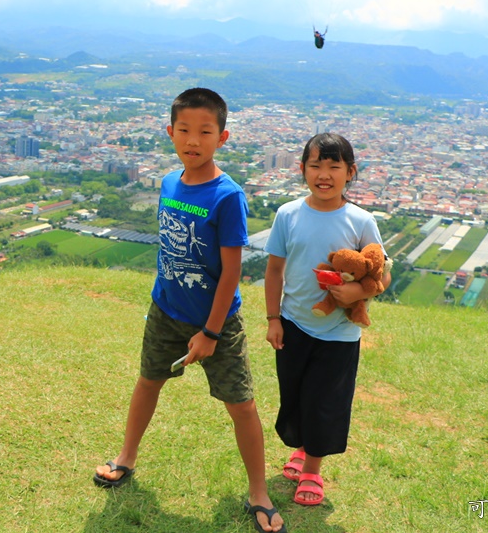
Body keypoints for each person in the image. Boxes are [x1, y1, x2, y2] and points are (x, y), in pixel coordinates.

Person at [94, 87, 286, 533]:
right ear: (170, 132)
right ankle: (126, 457)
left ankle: (259, 492)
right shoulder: (168, 183)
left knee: (241, 404)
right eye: (184, 130)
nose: (192, 140)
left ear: (222, 137)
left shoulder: (227, 195)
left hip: (217, 322)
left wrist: (211, 333)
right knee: (148, 382)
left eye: (204, 131)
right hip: (165, 309)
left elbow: (231, 272)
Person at [263, 132, 391, 507]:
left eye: (334, 166)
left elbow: (383, 274)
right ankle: (301, 447)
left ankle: (313, 471)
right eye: (315, 165)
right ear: (301, 169)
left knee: (325, 401)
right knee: (296, 395)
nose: (324, 174)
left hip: (340, 332)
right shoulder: (288, 214)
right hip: (293, 322)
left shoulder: (361, 220)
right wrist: (273, 319)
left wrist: (358, 293)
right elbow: (274, 271)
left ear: (350, 172)